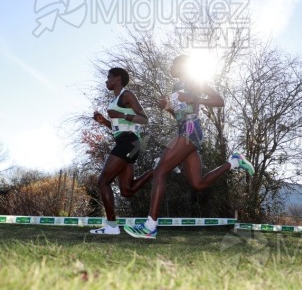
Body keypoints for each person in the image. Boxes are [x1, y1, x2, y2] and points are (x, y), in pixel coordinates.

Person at [124, 55, 254, 239]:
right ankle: (233, 162)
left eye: (173, 64)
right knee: (198, 183)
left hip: (190, 131)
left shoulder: (194, 81)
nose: (170, 67)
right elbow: (181, 114)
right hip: (184, 131)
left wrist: (193, 98)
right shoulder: (176, 87)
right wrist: (167, 108)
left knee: (160, 170)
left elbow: (219, 100)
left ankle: (150, 226)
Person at [90, 67, 153, 235]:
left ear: (117, 79)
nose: (106, 81)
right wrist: (104, 121)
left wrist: (120, 114)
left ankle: (111, 226)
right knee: (127, 191)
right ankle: (158, 168)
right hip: (127, 142)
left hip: (129, 141)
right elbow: (117, 127)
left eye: (108, 77)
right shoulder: (114, 100)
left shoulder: (127, 95)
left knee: (103, 182)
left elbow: (144, 119)